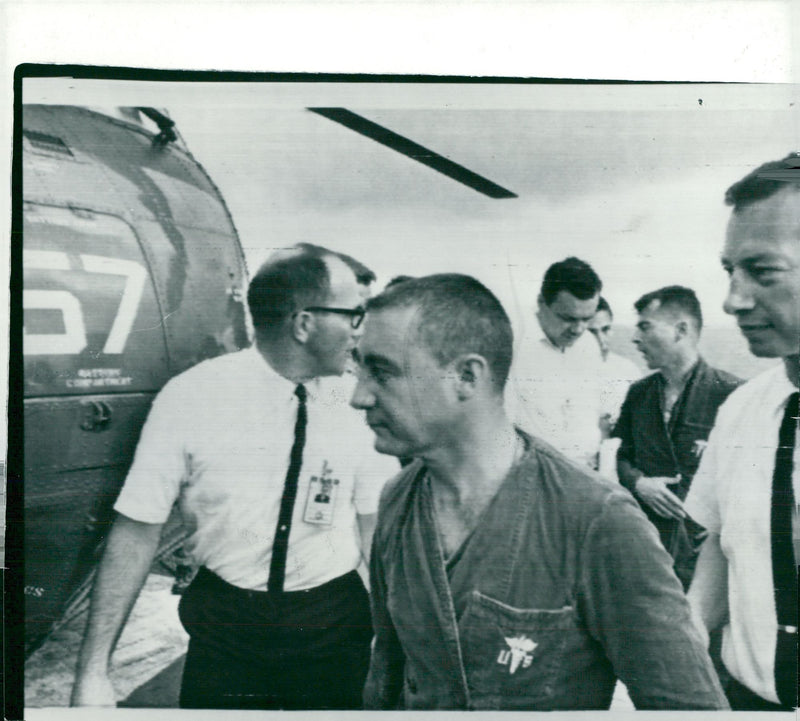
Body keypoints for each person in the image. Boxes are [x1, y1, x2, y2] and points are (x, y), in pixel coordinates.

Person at [350, 273, 728, 710]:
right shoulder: (397, 500)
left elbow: (689, 708)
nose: (359, 396)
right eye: (359, 367)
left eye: (382, 372)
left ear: (467, 376)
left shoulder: (598, 523)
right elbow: (388, 673)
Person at [71, 244, 397, 710]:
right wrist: (94, 672)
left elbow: (377, 531)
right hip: (227, 631)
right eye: (352, 315)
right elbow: (137, 529)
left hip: (333, 626)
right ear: (304, 323)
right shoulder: (193, 398)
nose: (357, 332)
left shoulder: (358, 404)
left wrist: (394, 648)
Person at [685, 156, 800, 711]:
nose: (732, 300)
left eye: (763, 271)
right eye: (730, 270)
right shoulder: (740, 412)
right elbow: (721, 545)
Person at [613, 286, 741, 589]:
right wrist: (638, 483)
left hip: (704, 560)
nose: (635, 338)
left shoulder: (732, 394)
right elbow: (620, 455)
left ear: (680, 330)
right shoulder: (639, 394)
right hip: (645, 549)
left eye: (645, 326)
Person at [506, 257, 606, 468]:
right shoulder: (510, 344)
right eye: (568, 318)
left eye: (587, 319)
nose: (578, 329)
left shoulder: (589, 345)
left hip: (582, 475)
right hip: (528, 475)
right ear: (542, 302)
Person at [587, 297, 642, 478]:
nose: (600, 339)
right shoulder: (563, 373)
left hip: (618, 474)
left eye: (605, 329)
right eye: (591, 332)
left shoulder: (629, 372)